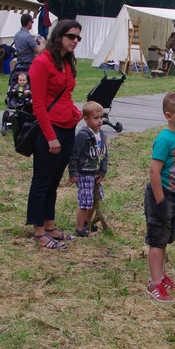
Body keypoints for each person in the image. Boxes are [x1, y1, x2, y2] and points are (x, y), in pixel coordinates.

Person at [27, 19, 83, 249]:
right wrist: (50, 136)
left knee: (54, 181)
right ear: (59, 36)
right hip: (50, 129)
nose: (75, 41)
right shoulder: (42, 63)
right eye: (71, 36)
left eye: (78, 38)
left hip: (67, 127)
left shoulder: (66, 62)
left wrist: (75, 113)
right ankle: (39, 230)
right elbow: (38, 105)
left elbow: (66, 95)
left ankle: (49, 225)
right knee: (42, 181)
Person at [144, 90, 175, 302]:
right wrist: (160, 200)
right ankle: (154, 283)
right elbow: (154, 171)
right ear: (168, 116)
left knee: (165, 238)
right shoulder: (164, 139)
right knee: (157, 240)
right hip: (161, 196)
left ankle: (160, 275)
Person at [68, 101, 109, 237]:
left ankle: (87, 223)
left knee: (95, 199)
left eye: (101, 117)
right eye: (96, 118)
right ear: (86, 119)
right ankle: (80, 228)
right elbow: (74, 155)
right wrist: (73, 172)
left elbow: (104, 155)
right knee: (85, 202)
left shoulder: (102, 135)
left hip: (95, 174)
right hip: (84, 173)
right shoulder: (83, 135)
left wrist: (102, 171)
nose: (100, 121)